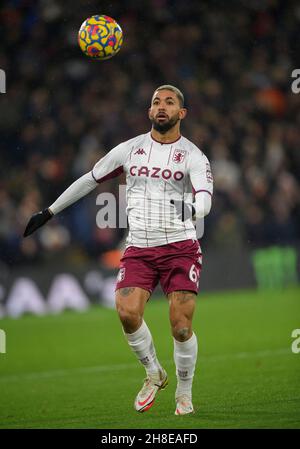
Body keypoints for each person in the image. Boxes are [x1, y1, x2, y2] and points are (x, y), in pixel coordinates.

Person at [24, 85, 213, 415]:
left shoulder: (193, 156)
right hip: (139, 246)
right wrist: (50, 212)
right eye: (156, 102)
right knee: (126, 312)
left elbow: (205, 198)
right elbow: (89, 179)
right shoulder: (130, 150)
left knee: (180, 325)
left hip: (180, 247)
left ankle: (184, 390)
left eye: (169, 102)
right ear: (149, 112)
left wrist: (192, 210)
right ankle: (154, 372)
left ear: (182, 113)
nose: (161, 106)